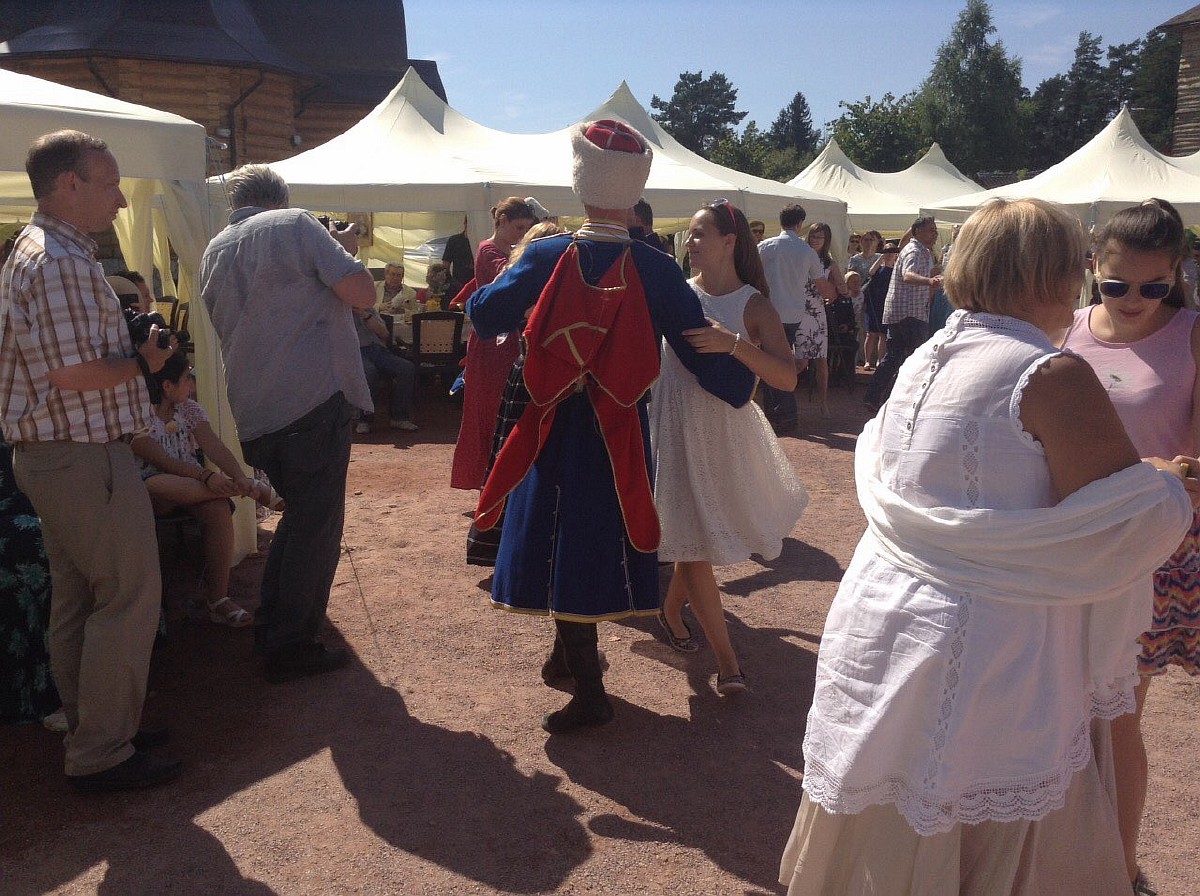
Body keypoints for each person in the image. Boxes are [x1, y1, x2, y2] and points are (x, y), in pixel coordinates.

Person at [779, 197, 1196, 895]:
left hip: (888, 626)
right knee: (990, 839)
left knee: (899, 830)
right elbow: (1121, 524)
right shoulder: (1051, 373)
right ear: (1053, 275)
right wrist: (1164, 482)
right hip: (991, 652)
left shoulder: (926, 356)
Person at [468, 121, 756, 733]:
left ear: (581, 183)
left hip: (551, 423)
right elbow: (695, 345)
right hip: (620, 427)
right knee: (590, 543)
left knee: (557, 540)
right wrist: (739, 384)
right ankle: (566, 659)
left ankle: (592, 693)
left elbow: (484, 312)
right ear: (634, 190)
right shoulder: (655, 266)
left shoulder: (547, 253)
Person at [0, 129, 181, 791]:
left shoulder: (35, 251)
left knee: (79, 599)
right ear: (69, 184)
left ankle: (98, 728)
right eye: (109, 185)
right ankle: (103, 750)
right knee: (127, 596)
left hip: (57, 456)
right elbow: (72, 373)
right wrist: (144, 361)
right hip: (81, 457)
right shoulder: (60, 262)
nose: (121, 201)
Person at [1061, 203, 1200, 895]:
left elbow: (1195, 468)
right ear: (1094, 268)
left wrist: (1159, 480)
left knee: (1115, 715)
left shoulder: (1193, 334)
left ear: (1176, 273)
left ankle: (1117, 870)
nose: (1134, 299)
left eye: (1153, 286)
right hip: (1066, 546)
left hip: (1151, 550)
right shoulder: (1065, 329)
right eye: (1117, 284)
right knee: (1057, 711)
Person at [199, 163, 375, 684]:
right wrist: (337, 245)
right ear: (281, 196)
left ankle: (277, 631)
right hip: (310, 401)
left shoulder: (214, 249)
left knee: (299, 522)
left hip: (256, 410)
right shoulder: (296, 224)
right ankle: (290, 644)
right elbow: (363, 293)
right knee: (314, 529)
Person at [651, 199, 808, 695]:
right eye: (689, 234)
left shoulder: (753, 305)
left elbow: (786, 378)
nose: (690, 242)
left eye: (700, 233)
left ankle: (671, 610)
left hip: (725, 435)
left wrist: (732, 344)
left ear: (729, 241)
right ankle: (728, 662)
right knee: (693, 537)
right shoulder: (677, 294)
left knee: (697, 534)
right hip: (674, 427)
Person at [131, 351, 278, 628]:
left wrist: (237, 475)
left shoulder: (190, 410)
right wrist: (207, 476)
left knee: (218, 509)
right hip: (157, 488)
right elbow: (162, 463)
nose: (192, 383)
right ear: (167, 386)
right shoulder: (137, 414)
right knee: (156, 484)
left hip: (198, 486)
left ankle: (219, 600)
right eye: (187, 378)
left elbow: (214, 446)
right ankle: (251, 488)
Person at [449, 197, 536, 491]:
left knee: (506, 410)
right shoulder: (487, 250)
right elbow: (508, 276)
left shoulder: (510, 250)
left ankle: (501, 480)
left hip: (509, 344)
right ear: (502, 221)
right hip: (490, 346)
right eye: (519, 227)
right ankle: (485, 481)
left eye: (527, 229)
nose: (522, 234)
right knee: (487, 412)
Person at [757, 204, 838, 434]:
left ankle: (776, 413)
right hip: (793, 315)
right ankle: (785, 414)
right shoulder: (807, 252)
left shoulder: (764, 246)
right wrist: (834, 294)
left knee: (770, 361)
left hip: (768, 312)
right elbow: (822, 285)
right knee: (782, 362)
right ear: (800, 223)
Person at [862, 216, 942, 412]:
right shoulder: (915, 251)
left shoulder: (915, 249)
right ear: (918, 232)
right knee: (918, 359)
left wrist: (932, 275)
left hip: (901, 311)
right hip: (910, 313)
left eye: (935, 230)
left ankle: (875, 397)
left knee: (894, 356)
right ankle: (902, 400)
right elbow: (908, 275)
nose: (935, 234)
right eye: (931, 230)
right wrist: (929, 281)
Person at [805, 222, 850, 416]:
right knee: (800, 359)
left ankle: (823, 402)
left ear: (826, 240)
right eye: (813, 236)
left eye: (820, 237)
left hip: (816, 312)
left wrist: (841, 289)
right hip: (796, 309)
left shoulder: (829, 263)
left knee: (821, 359)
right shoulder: (801, 256)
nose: (815, 240)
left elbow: (841, 286)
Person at [352, 302, 418, 434]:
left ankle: (399, 417)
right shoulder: (338, 311)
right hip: (355, 352)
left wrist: (365, 314)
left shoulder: (369, 309)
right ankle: (364, 419)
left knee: (407, 368)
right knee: (369, 373)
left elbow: (384, 334)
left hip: (378, 350)